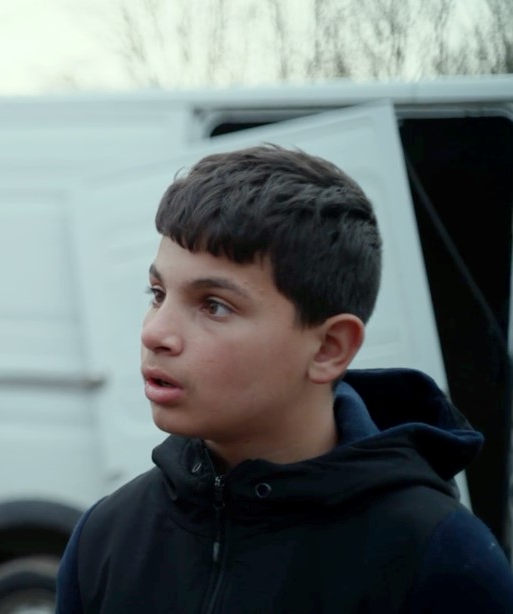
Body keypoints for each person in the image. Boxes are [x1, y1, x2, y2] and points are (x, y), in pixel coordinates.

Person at [55, 144, 513, 613]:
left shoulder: (442, 560)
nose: (155, 332)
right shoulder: (105, 537)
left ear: (329, 348)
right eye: (157, 293)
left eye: (214, 305)